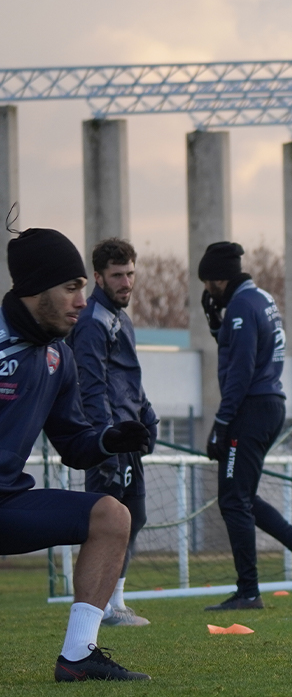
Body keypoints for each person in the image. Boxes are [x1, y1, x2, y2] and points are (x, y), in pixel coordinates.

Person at [0, 228, 152, 681]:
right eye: (71, 287)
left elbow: (73, 445)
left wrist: (109, 439)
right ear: (34, 290)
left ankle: (78, 656)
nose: (82, 300)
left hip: (8, 503)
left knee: (112, 516)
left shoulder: (57, 358)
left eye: (83, 287)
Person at [197, 241, 292, 610]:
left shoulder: (240, 306)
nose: (207, 292)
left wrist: (221, 423)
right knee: (242, 496)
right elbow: (251, 349)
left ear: (219, 278)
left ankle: (248, 592)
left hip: (250, 409)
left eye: (208, 283)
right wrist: (218, 330)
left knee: (233, 500)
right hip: (271, 404)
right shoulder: (261, 299)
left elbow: (239, 371)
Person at [67, 238, 158, 627]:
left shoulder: (122, 318)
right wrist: (104, 436)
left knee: (134, 516)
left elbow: (128, 379)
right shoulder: (91, 321)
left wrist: (147, 414)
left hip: (129, 434)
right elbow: (91, 384)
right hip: (109, 437)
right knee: (108, 520)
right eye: (118, 275)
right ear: (99, 278)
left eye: (131, 274)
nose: (126, 282)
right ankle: (100, 607)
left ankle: (116, 602)